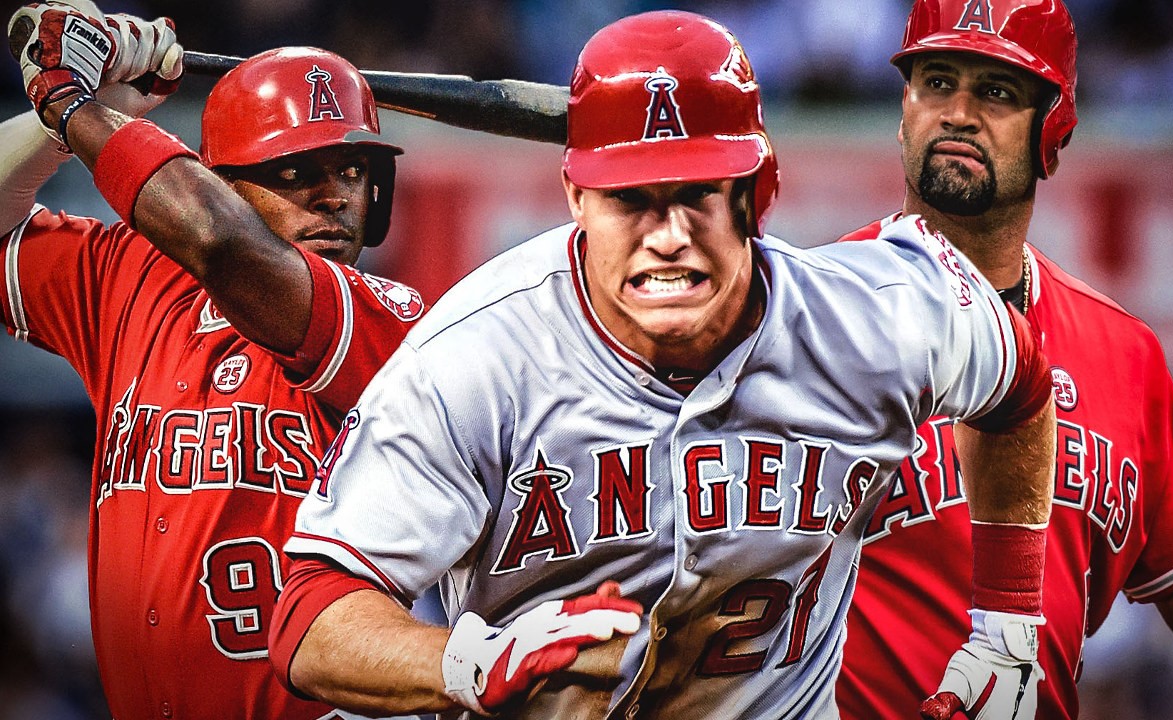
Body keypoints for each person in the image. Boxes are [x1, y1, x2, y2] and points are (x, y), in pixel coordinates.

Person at [266, 10, 1058, 720]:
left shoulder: (883, 313)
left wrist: (1008, 627)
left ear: (760, 190)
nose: (668, 235)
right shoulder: (474, 356)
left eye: (698, 193)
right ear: (575, 197)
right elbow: (311, 616)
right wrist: (470, 662)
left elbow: (1020, 387)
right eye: (629, 198)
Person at [834, 1, 1173, 719]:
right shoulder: (807, 313)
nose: (959, 113)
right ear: (903, 109)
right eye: (937, 82)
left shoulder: (1124, 353)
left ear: (1054, 130)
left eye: (997, 92)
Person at [2, 3, 427, 718]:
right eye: (293, 170)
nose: (333, 196)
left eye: (352, 169)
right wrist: (59, 127)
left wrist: (75, 106)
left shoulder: (391, 321)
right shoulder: (131, 278)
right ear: (221, 182)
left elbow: (223, 244)